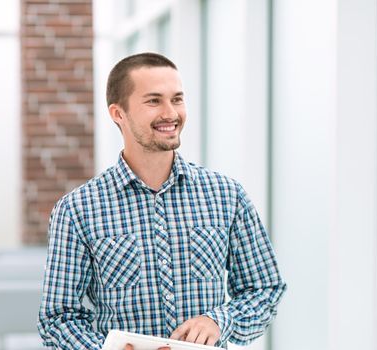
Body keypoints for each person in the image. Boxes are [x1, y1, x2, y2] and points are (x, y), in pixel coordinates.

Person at [38, 52, 286, 349]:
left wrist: (220, 320)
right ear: (118, 113)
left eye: (177, 99)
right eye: (154, 101)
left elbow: (264, 289)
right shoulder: (77, 210)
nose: (171, 113)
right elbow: (57, 318)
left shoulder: (226, 195)